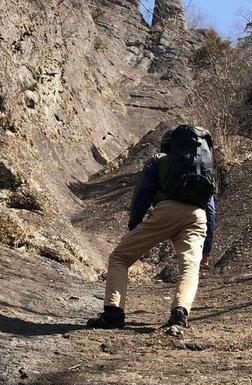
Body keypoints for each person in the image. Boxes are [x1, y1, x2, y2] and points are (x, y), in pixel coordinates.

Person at [87, 124, 217, 330]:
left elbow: (142, 195)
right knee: (189, 267)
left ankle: (113, 313)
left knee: (119, 258)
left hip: (166, 212)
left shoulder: (158, 160)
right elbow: (210, 210)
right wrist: (207, 249)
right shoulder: (202, 168)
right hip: (197, 217)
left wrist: (135, 226)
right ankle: (180, 312)